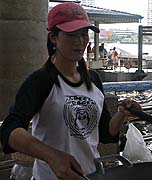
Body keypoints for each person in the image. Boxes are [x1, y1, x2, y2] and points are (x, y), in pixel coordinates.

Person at [0, 2, 141, 180]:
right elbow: (9, 129)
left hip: (91, 174)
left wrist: (122, 114)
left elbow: (105, 132)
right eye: (72, 35)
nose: (80, 42)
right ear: (53, 37)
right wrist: (51, 156)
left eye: (83, 34)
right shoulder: (41, 81)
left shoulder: (93, 79)